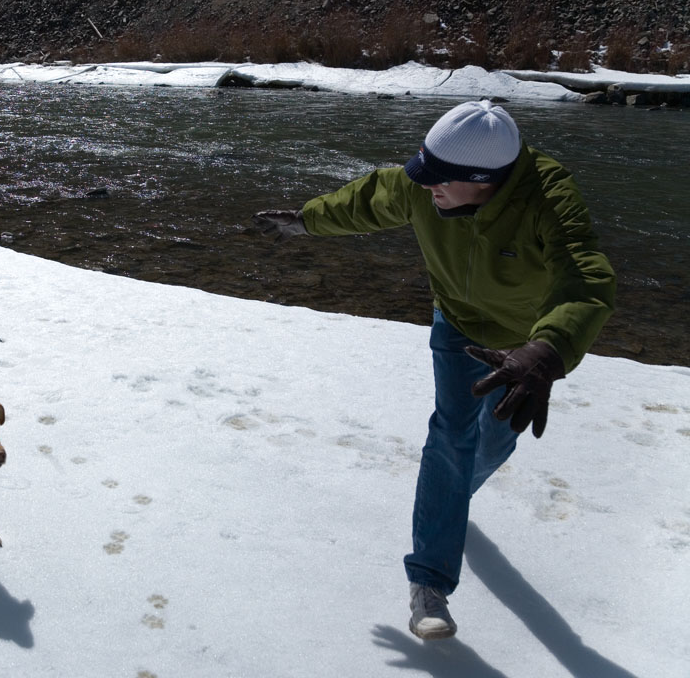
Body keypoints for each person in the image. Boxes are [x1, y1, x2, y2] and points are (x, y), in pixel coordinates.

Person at [252, 99, 615, 640]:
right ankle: (429, 584)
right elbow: (371, 198)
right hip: (458, 328)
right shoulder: (427, 183)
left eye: (439, 178)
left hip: (521, 348)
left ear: (485, 180)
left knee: (494, 442)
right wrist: (306, 220)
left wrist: (549, 348)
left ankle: (451, 496)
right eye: (423, 171)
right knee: (451, 438)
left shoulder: (548, 198)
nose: (425, 186)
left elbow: (583, 277)